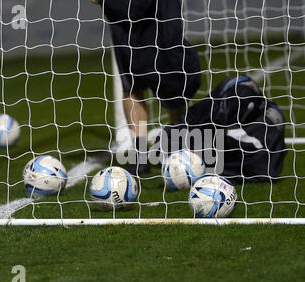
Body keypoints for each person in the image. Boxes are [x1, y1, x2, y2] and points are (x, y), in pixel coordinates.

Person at [91, 0, 201, 175]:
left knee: (172, 74)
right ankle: (140, 152)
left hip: (159, 9)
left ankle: (176, 141)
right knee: (132, 82)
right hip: (122, 12)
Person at [156, 75, 287, 182]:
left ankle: (173, 149)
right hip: (243, 112)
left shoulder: (262, 134)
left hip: (255, 150)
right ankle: (170, 146)